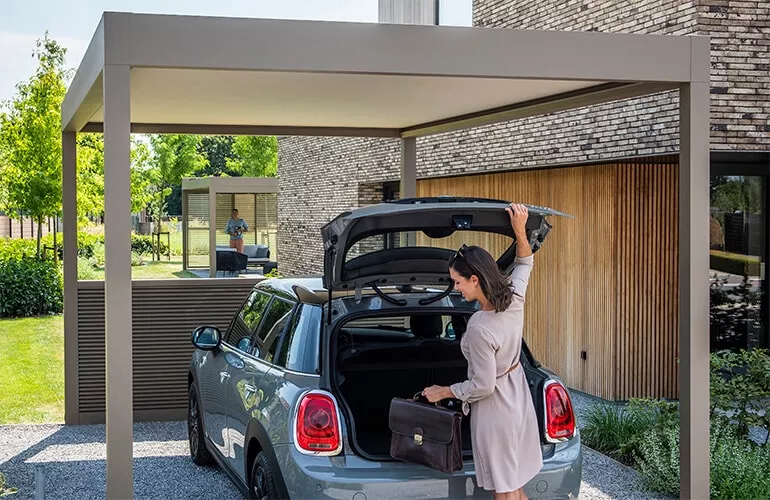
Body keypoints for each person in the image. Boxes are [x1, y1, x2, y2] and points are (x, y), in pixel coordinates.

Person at [422, 203, 542, 500]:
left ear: (474, 279)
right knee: (514, 485)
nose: (456, 287)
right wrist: (519, 231)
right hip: (518, 401)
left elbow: (483, 386)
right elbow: (525, 263)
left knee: (504, 492)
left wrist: (444, 391)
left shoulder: (478, 327)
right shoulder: (513, 297)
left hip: (495, 413)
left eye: (457, 281)